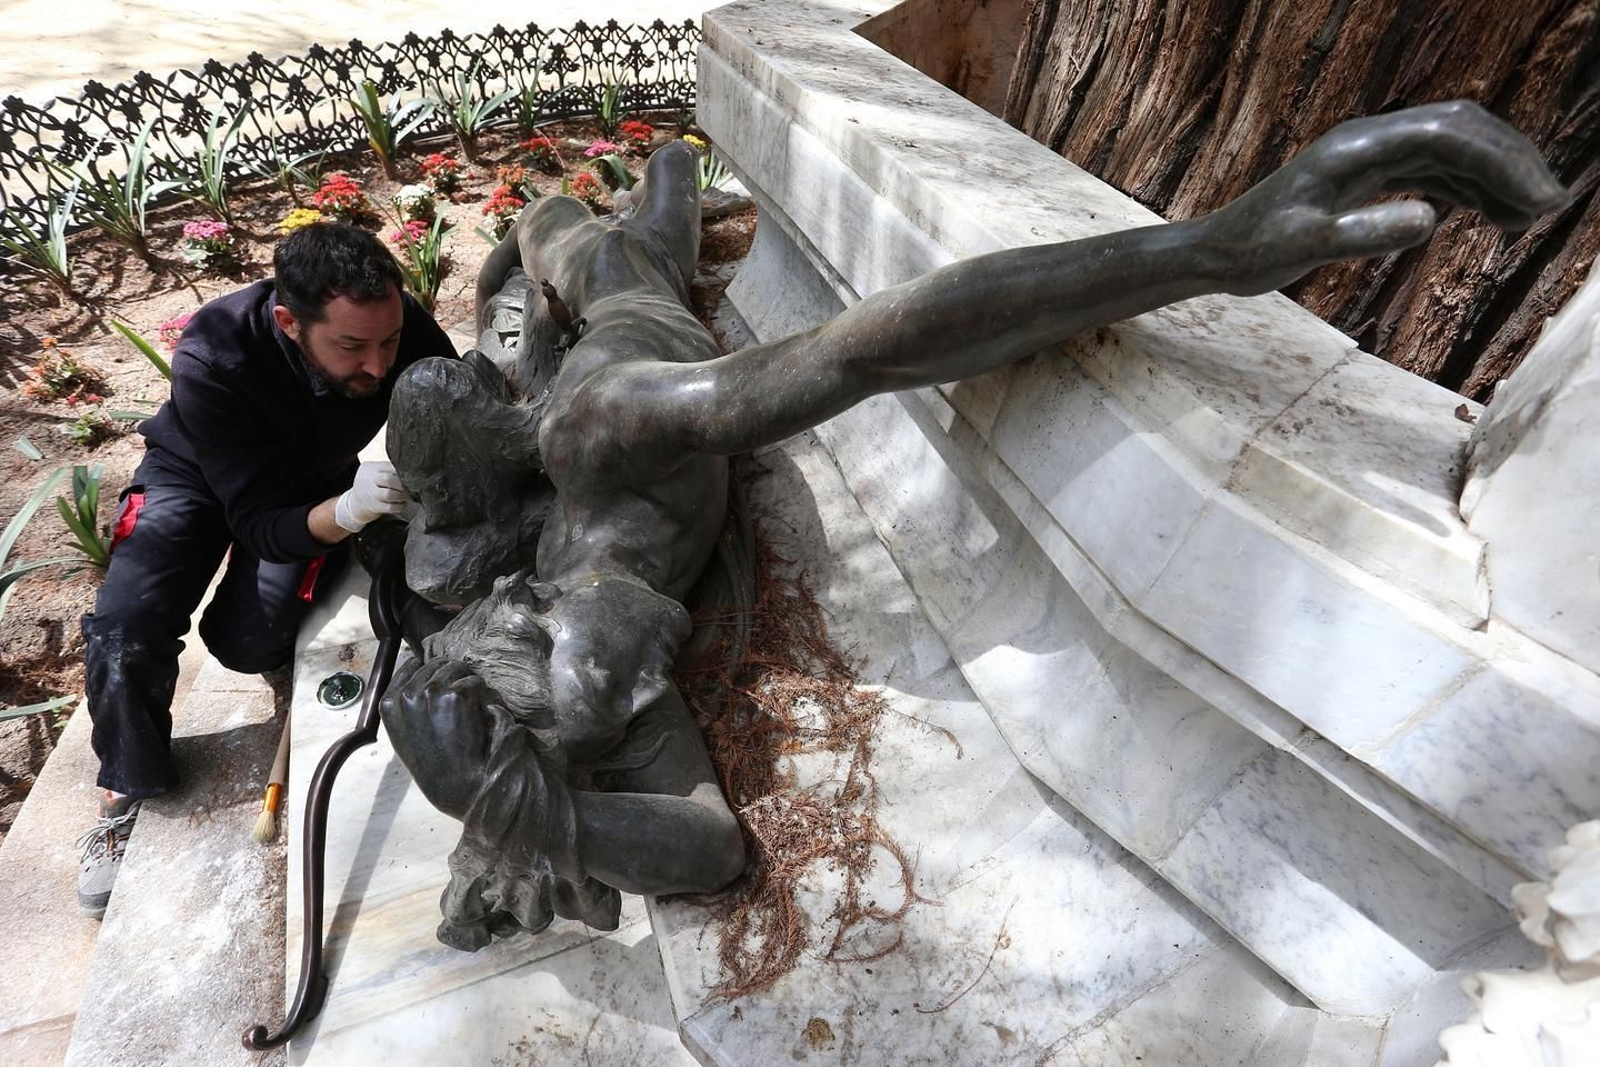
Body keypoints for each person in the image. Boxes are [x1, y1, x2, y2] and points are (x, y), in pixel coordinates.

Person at [380, 102, 1571, 949]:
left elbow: (871, 347)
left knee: (571, 225)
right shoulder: (577, 636)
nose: (651, 701)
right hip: (605, 315)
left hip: (626, 322)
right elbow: (708, 846)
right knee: (616, 217)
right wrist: (520, 808)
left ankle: (655, 183)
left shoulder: (607, 429)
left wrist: (1205, 248)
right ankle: (661, 179)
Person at [75, 223, 458, 916]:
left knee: (246, 642)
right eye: (351, 347)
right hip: (193, 477)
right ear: (289, 322)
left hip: (303, 485)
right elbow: (254, 522)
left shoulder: (394, 323)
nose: (378, 366)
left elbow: (455, 402)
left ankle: (304, 591)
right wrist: (347, 512)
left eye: (389, 342)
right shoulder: (215, 352)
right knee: (128, 625)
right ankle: (125, 784)